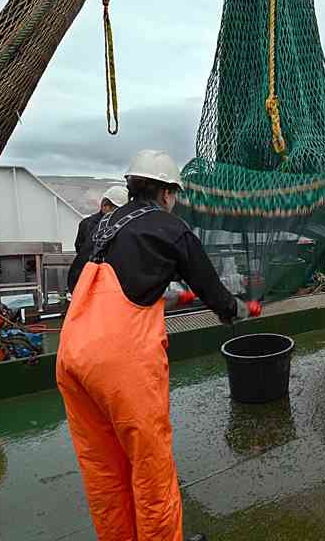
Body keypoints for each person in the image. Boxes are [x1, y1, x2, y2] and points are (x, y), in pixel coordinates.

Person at [56, 150, 261, 541]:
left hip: (71, 355)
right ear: (167, 193)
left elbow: (85, 283)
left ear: (132, 185)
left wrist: (165, 296)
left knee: (104, 469)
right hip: (120, 365)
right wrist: (236, 309)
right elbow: (212, 291)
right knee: (151, 470)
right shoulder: (171, 229)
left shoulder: (101, 225)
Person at [67, 185, 129, 294]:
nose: (121, 215)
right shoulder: (90, 225)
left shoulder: (117, 225)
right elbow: (83, 251)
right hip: (96, 280)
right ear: (105, 206)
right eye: (118, 210)